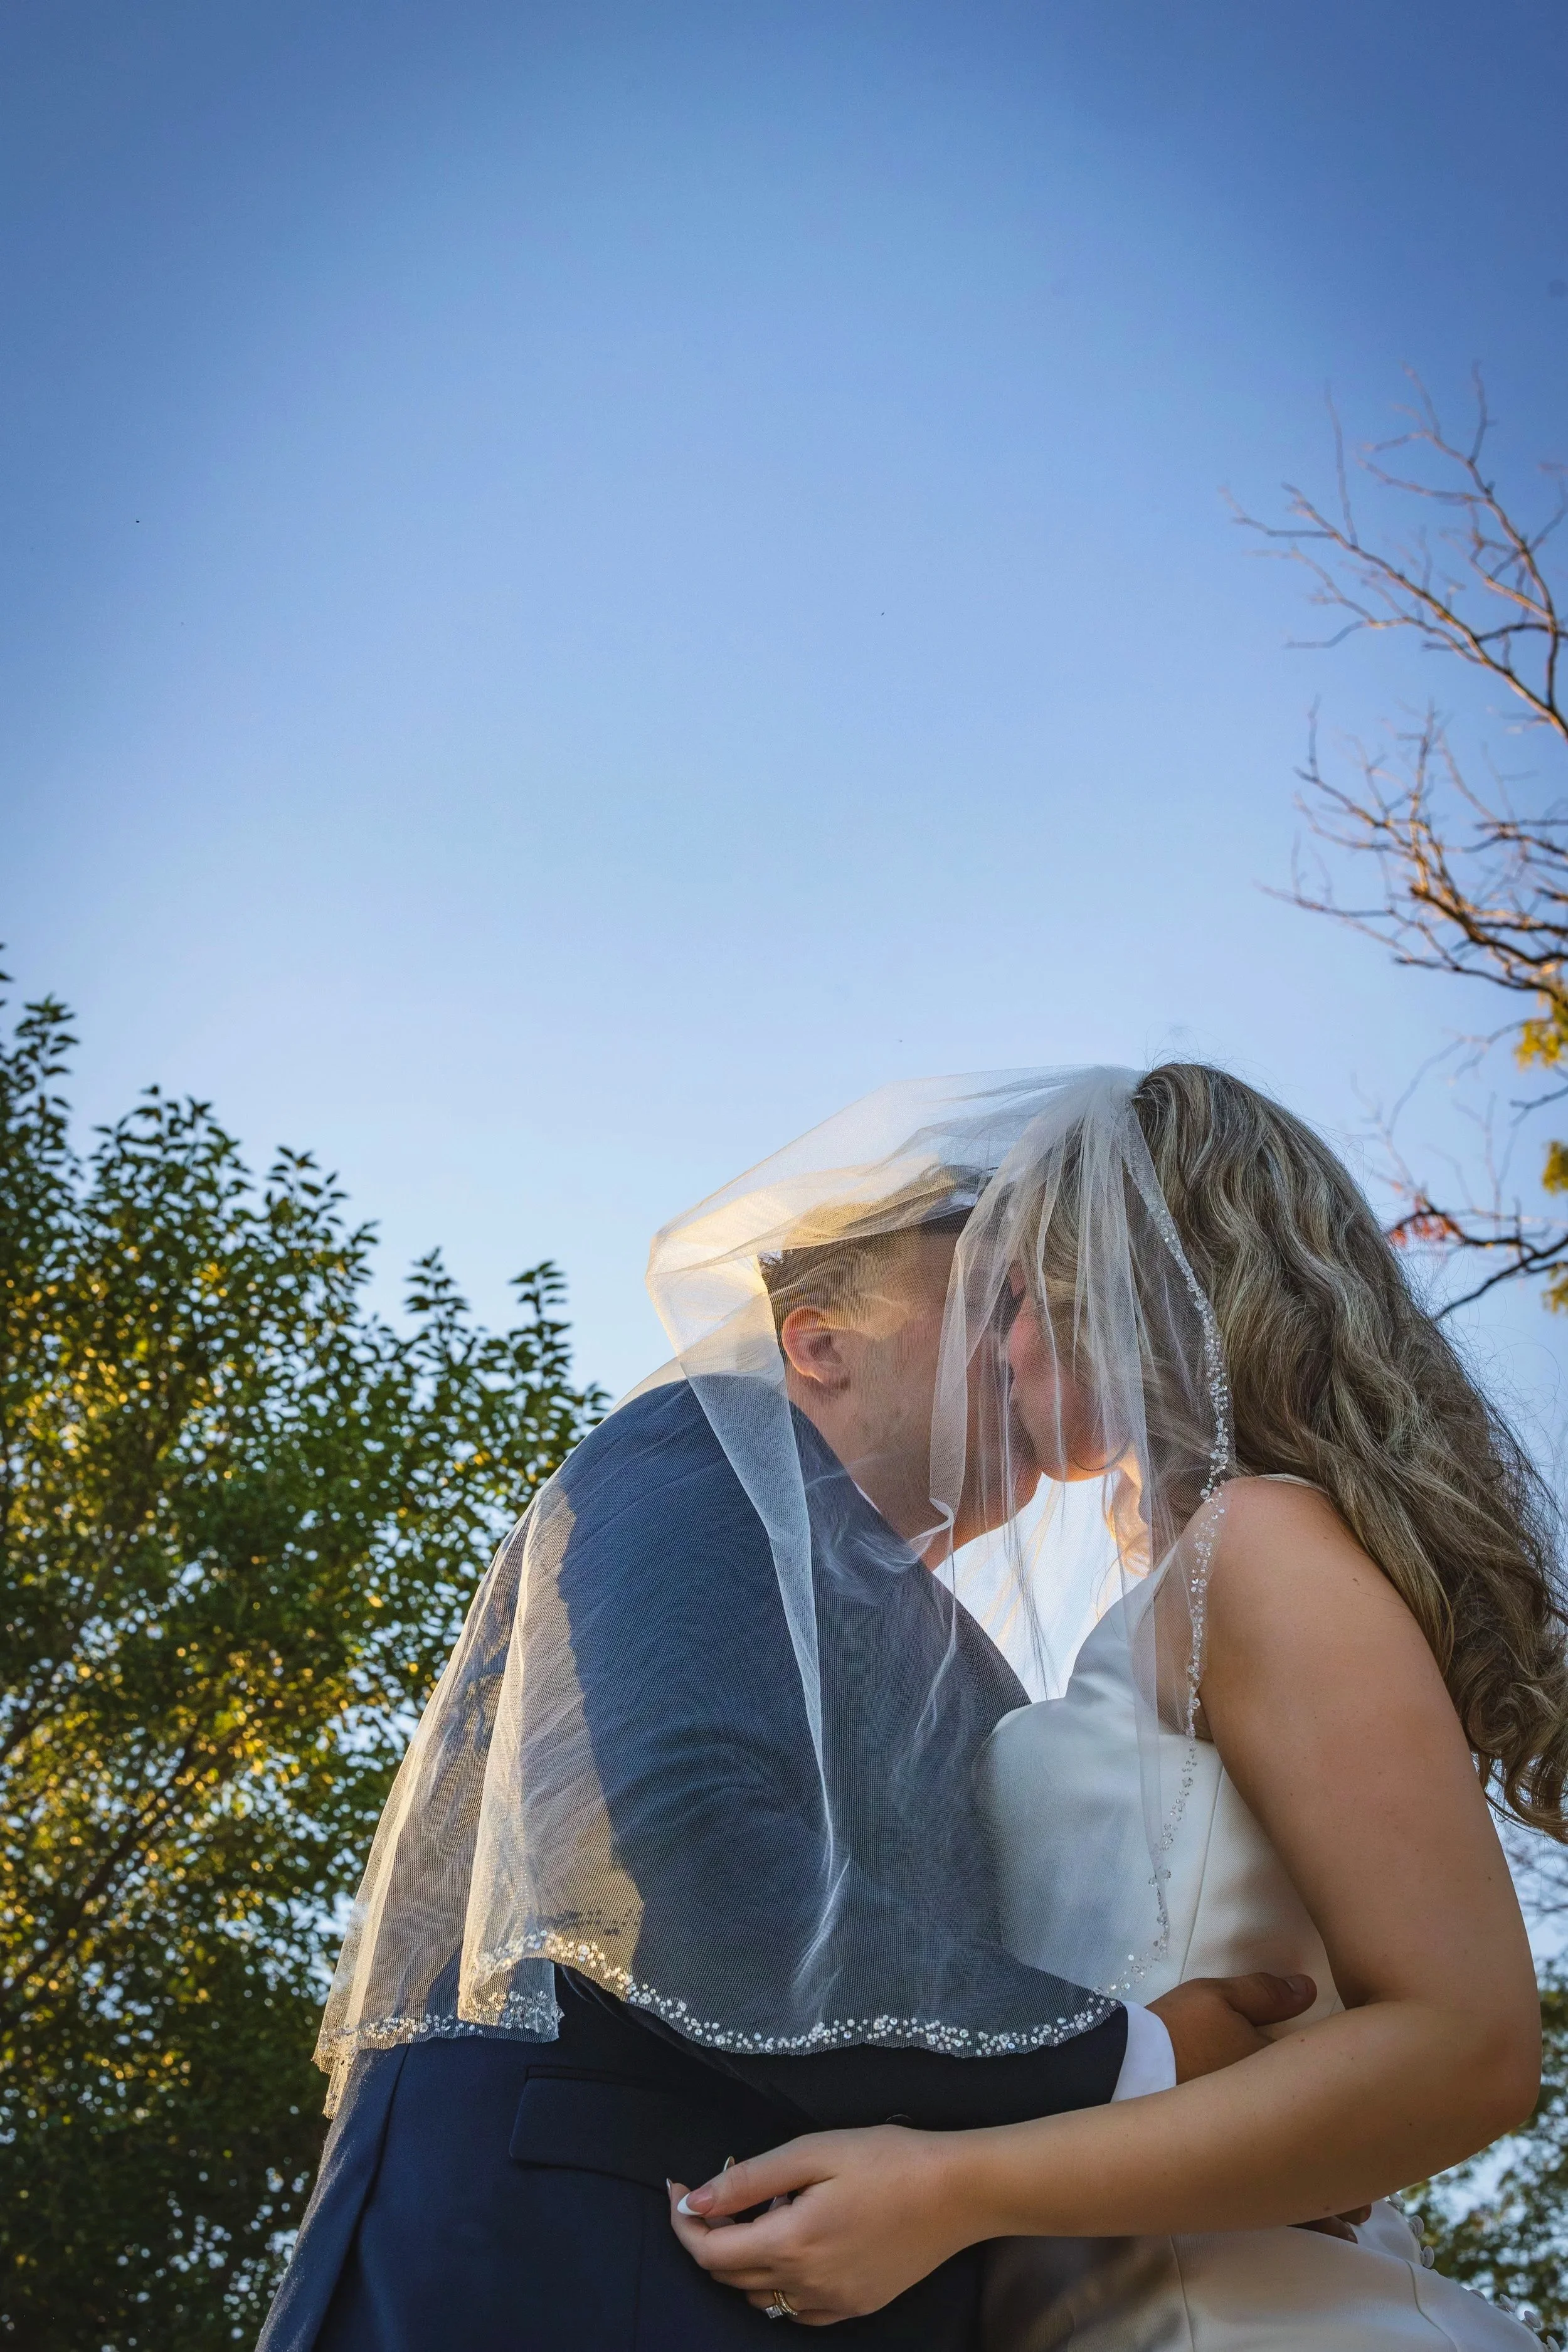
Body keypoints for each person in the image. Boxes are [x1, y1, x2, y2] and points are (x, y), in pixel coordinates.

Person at [257, 1092, 1299, 2352]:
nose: (1026, 1340)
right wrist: (1142, 2070)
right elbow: (683, 1858)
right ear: (816, 1344)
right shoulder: (691, 1454)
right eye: (990, 1296)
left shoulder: (963, 1662)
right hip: (572, 2265)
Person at [669, 1064, 1563, 2345]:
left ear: (1120, 1296)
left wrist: (949, 2189)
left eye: (1016, 1297)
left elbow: (1462, 2042)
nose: (998, 1346)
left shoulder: (1256, 1545)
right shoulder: (1181, 1593)